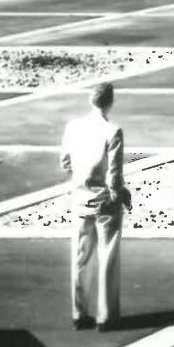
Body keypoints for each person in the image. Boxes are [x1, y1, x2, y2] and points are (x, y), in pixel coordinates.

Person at [59, 81, 129, 330]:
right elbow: (114, 174)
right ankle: (106, 316)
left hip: (80, 196)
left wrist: (80, 180)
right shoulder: (113, 131)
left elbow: (65, 162)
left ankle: (80, 313)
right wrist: (120, 194)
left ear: (91, 100)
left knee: (81, 254)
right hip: (104, 200)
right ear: (110, 102)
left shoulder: (73, 127)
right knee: (107, 254)